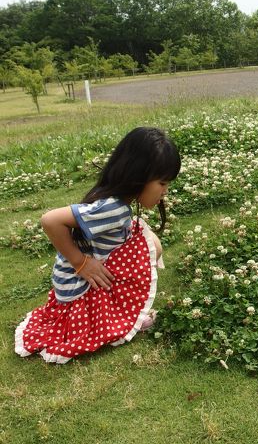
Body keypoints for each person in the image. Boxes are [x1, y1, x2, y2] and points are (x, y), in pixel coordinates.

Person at [15, 126, 181, 363]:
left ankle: (119, 309)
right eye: (162, 183)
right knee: (150, 247)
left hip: (77, 279)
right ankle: (120, 316)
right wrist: (81, 263)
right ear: (139, 176)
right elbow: (49, 220)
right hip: (77, 288)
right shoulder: (113, 209)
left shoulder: (116, 201)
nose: (165, 191)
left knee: (148, 241)